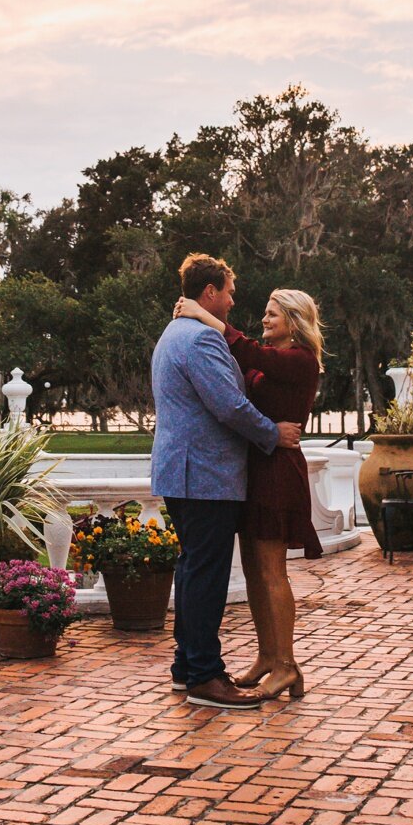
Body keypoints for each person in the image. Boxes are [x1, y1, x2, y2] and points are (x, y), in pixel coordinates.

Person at [150, 252, 303, 711]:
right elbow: (230, 406)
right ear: (210, 292)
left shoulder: (175, 333)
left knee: (194, 569)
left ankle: (186, 667)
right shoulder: (200, 340)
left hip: (187, 473)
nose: (234, 302)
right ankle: (203, 677)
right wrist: (272, 434)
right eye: (230, 293)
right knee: (206, 576)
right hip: (205, 476)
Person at [173, 287, 326, 701]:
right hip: (255, 468)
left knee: (273, 570)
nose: (264, 319)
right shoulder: (274, 359)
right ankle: (265, 657)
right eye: (265, 311)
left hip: (277, 471)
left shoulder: (299, 360)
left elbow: (249, 352)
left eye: (272, 314)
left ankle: (287, 665)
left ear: (294, 322)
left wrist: (206, 317)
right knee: (255, 570)